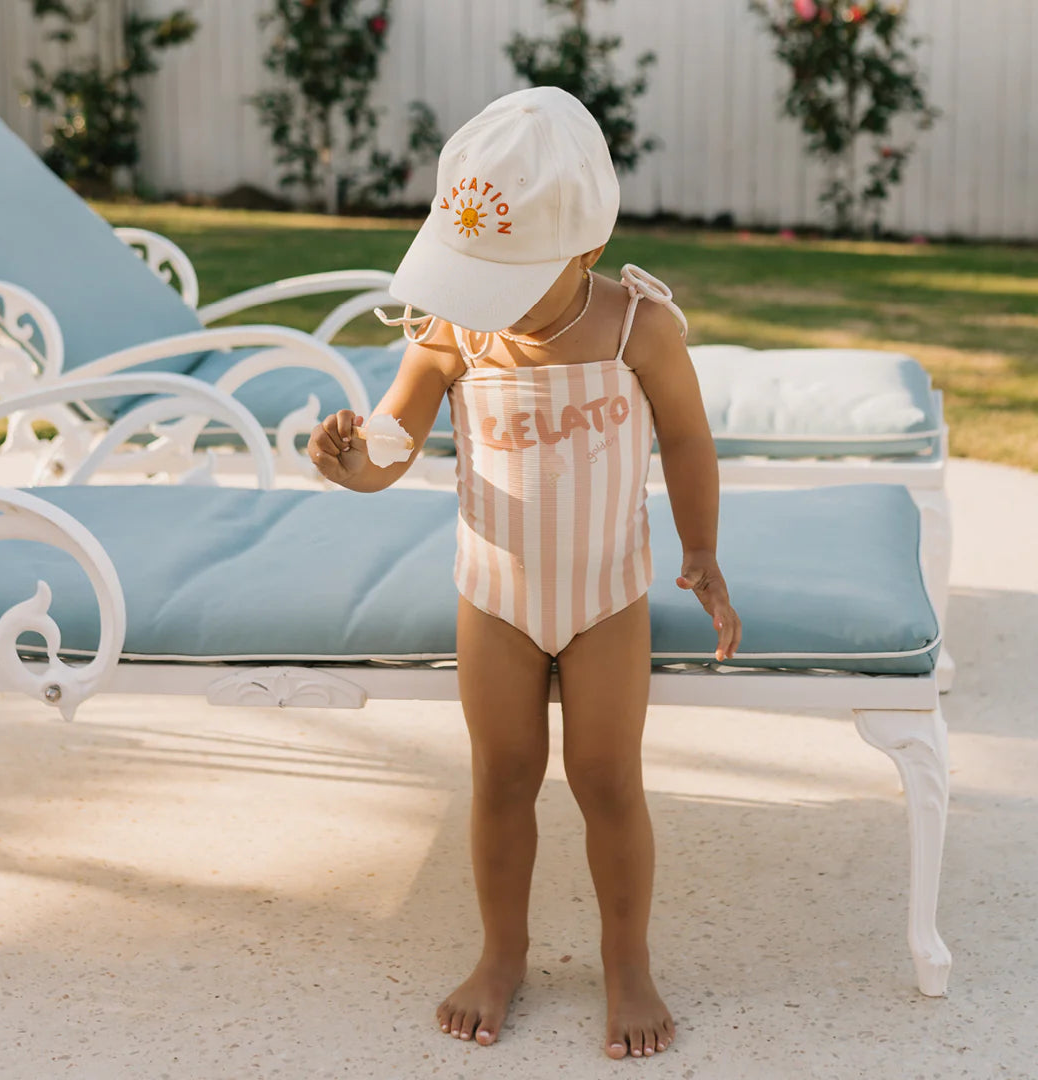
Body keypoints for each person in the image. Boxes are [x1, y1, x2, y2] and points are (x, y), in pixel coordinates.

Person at [308, 85, 741, 1061]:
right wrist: (353, 465)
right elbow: (394, 438)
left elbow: (686, 440)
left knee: (605, 781)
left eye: (502, 280)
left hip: (605, 597)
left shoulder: (638, 326)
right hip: (496, 597)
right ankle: (503, 952)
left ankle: (627, 962)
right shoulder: (456, 331)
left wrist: (702, 556)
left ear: (585, 250)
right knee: (502, 776)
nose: (480, 302)